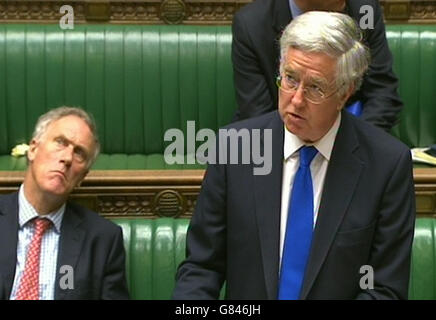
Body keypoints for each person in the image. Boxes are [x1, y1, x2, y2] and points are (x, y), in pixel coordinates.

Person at [173, 11, 415, 299]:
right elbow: (202, 268)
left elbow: (384, 289)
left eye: (315, 87)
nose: (296, 100)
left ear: (345, 92)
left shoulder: (387, 165)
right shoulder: (234, 148)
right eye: (290, 79)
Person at [0, 106, 129, 300]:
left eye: (79, 153)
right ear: (33, 149)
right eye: (61, 142)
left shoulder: (103, 239)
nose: (67, 158)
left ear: (81, 178)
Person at [231, 0, 403, 132]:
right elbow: (256, 111)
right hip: (280, 139)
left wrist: (355, 146)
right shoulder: (251, 24)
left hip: (353, 132)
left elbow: (383, 93)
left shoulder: (365, 11)